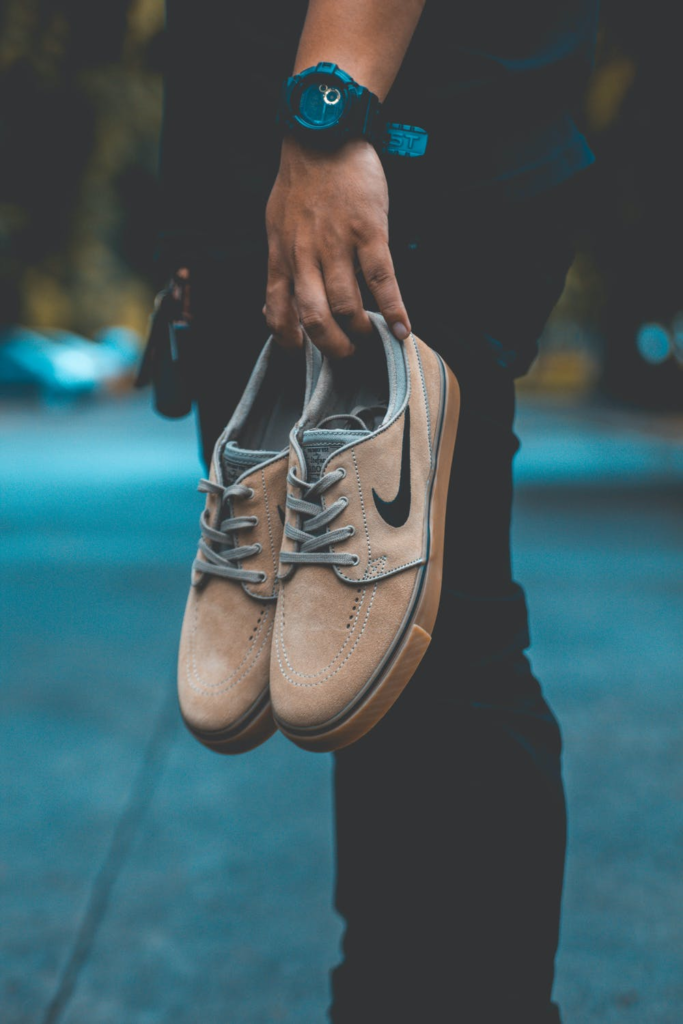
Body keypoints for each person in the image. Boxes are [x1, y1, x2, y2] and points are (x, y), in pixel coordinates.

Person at [154, 1, 599, 1019]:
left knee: (438, 663)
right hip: (265, 145)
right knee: (358, 682)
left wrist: (333, 105)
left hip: (386, 128)